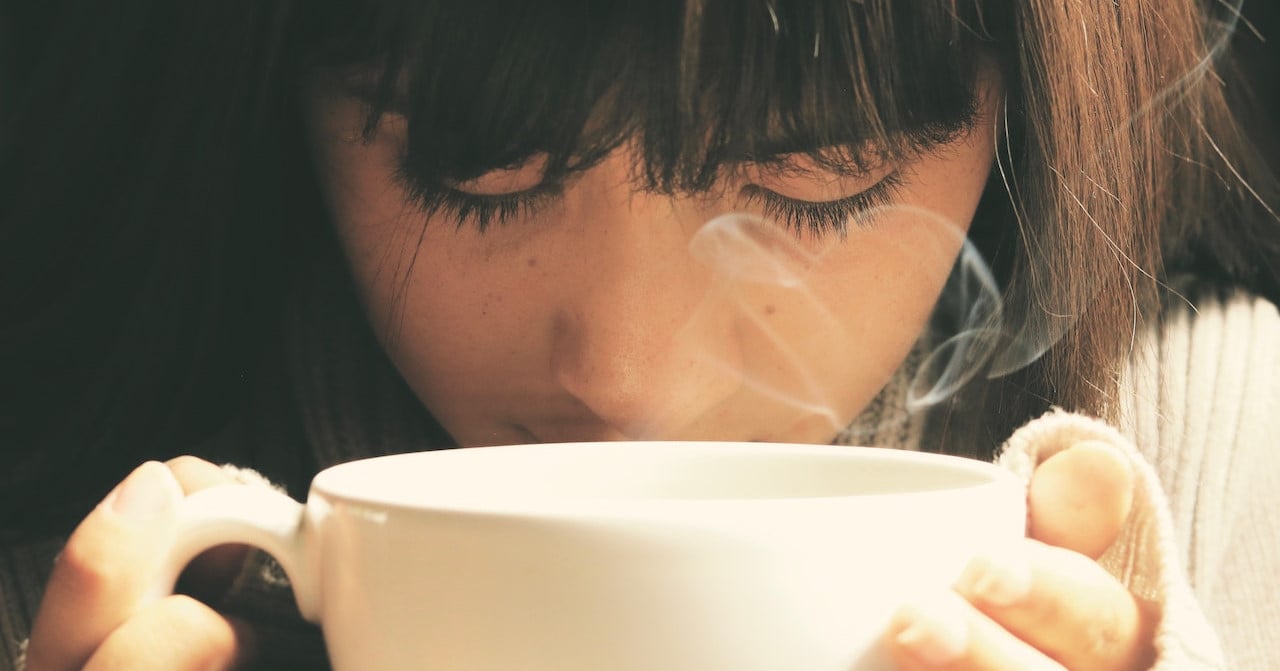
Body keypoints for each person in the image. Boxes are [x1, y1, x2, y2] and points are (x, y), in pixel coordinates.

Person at [2, 0, 1278, 669]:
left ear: (1024, 108)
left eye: (817, 177)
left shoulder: (1223, 462)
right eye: (475, 171)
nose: (622, 377)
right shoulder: (93, 551)